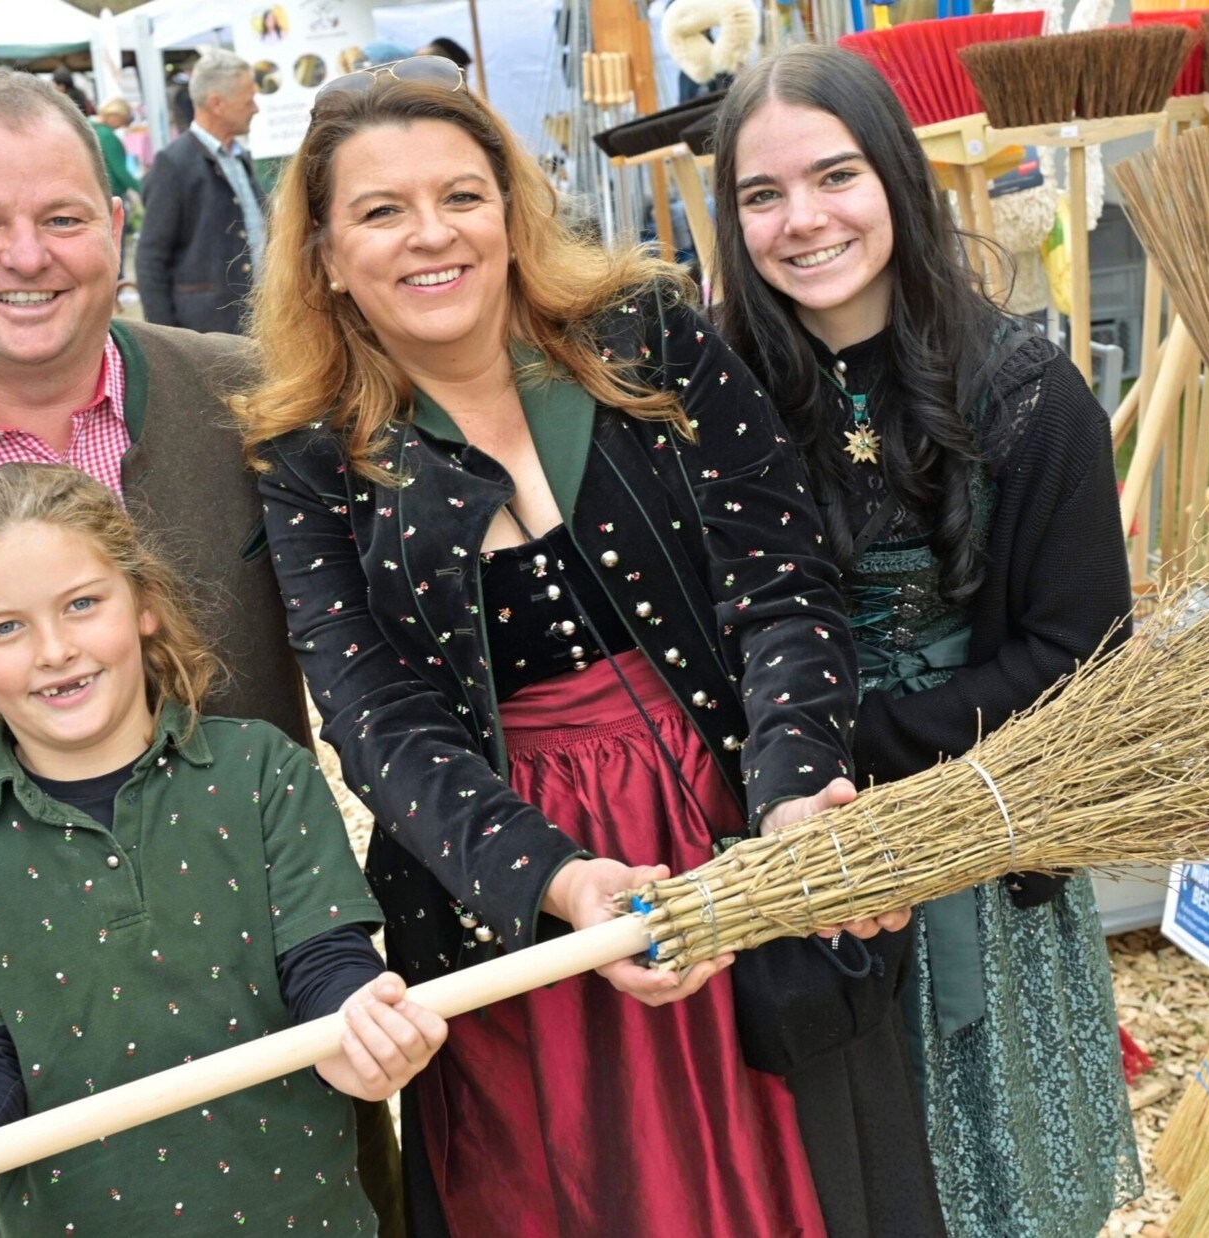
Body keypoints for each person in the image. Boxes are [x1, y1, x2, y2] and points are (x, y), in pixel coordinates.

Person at [243, 59, 941, 1238]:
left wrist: (790, 794)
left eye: (461, 196)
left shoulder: (646, 336)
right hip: (508, 886)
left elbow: (780, 580)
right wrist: (560, 880)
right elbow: (378, 721)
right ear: (323, 255)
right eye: (381, 210)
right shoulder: (311, 461)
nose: (431, 234)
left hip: (725, 827)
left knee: (810, 1176)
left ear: (510, 210)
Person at [0, 69, 405, 1231]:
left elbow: (378, 658)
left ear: (116, 221)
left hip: (292, 1034)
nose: (27, 255)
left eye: (61, 216)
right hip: (37, 1102)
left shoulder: (253, 398)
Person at [710, 44, 1142, 1238]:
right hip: (786, 857)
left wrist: (853, 748)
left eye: (834, 175)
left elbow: (1083, 655)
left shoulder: (1028, 396)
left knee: (995, 1196)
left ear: (895, 176)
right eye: (761, 194)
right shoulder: (708, 403)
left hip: (977, 848)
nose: (803, 220)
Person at [0, 463, 446, 1238]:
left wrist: (357, 1028)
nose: (54, 650)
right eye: (5, 628)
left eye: (82, 604)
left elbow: (323, 962)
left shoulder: (261, 770)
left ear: (142, 603)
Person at [137, 49, 265, 335]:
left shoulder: (239, 157)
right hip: (209, 332)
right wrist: (167, 341)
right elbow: (151, 258)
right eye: (248, 100)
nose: (255, 108)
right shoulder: (173, 164)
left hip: (256, 324)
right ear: (217, 103)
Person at [92, 98, 141, 282]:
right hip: (112, 191)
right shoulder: (107, 136)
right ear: (114, 115)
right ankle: (119, 280)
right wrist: (143, 188)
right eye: (123, 119)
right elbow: (120, 170)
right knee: (116, 237)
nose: (123, 125)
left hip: (95, 191)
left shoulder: (87, 127)